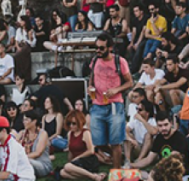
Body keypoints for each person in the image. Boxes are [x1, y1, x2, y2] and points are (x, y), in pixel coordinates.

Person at [88, 32, 134, 170]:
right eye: (96, 47)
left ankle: (116, 171)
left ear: (110, 48)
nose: (98, 50)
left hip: (114, 105)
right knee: (98, 141)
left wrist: (116, 89)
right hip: (97, 105)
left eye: (101, 48)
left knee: (115, 142)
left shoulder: (120, 61)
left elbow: (130, 82)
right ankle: (118, 157)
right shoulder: (95, 60)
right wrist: (90, 87)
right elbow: (92, 76)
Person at [0, 116, 35, 181]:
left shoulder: (12, 146)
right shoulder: (1, 145)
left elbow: (6, 174)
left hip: (24, 178)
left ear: (4, 131)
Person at [57, 110, 102, 181]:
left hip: (88, 160)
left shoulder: (85, 132)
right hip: (77, 162)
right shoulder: (70, 134)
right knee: (62, 172)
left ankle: (94, 177)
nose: (71, 126)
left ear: (79, 122)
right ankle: (91, 176)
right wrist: (70, 161)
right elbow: (71, 150)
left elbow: (91, 151)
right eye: (69, 123)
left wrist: (77, 158)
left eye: (74, 123)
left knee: (67, 167)